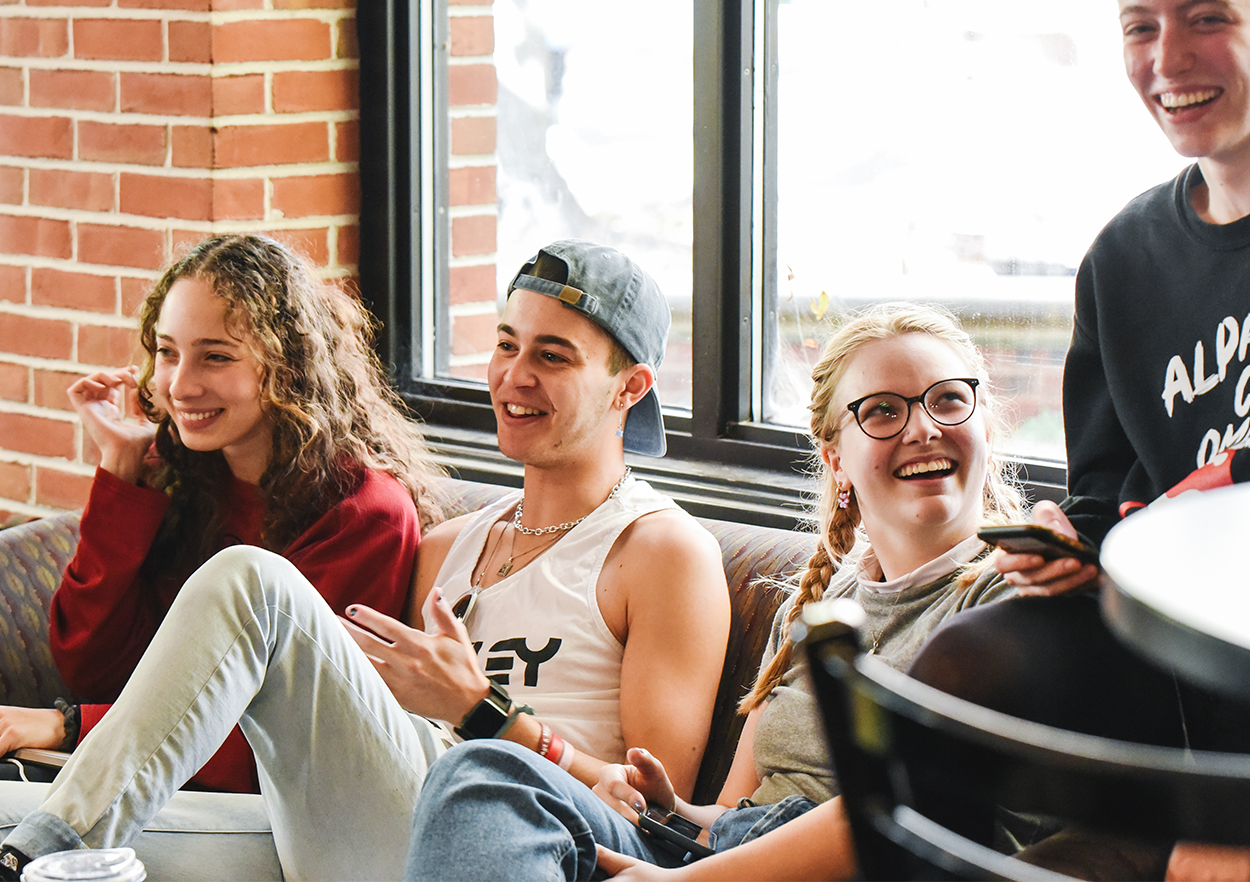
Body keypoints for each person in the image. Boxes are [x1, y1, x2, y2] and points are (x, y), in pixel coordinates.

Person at [0, 240, 731, 882]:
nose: (515, 376)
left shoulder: (662, 551)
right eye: (506, 344)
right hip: (356, 832)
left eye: (552, 356)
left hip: (509, 842)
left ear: (630, 388)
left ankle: (42, 851)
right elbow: (330, 724)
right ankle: (38, 850)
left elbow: (652, 819)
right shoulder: (448, 547)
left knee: (252, 580)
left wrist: (484, 711)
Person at [402, 301, 1028, 882]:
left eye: (947, 401)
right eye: (884, 411)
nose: (922, 428)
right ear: (836, 459)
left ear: (985, 429)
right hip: (729, 861)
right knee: (487, 774)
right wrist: (671, 810)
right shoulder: (817, 605)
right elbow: (734, 817)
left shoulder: (1009, 595)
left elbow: (906, 812)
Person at [899, 0, 1250, 881]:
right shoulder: (1124, 263)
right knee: (954, 673)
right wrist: (1075, 544)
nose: (1166, 57)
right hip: (1177, 657)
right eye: (1138, 28)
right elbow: (1108, 501)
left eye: (1205, 16)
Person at [0, 233, 443, 792]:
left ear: (288, 365)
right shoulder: (184, 474)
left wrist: (68, 727)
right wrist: (122, 473)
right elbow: (94, 667)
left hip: (269, 803)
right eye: (166, 352)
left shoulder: (364, 514)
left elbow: (279, 731)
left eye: (216, 356)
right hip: (143, 770)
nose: (179, 386)